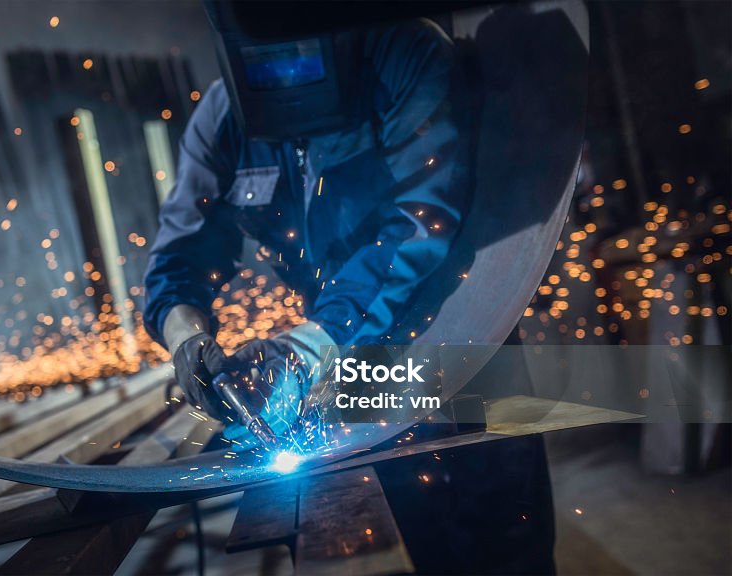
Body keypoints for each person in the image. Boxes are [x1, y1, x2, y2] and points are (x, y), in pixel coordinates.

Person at [144, 2, 555, 573]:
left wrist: (304, 348)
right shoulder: (222, 118)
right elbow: (177, 255)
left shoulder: (405, 55)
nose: (284, 75)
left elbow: (420, 223)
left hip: (466, 328)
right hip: (354, 361)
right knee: (426, 534)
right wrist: (187, 338)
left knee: (509, 540)